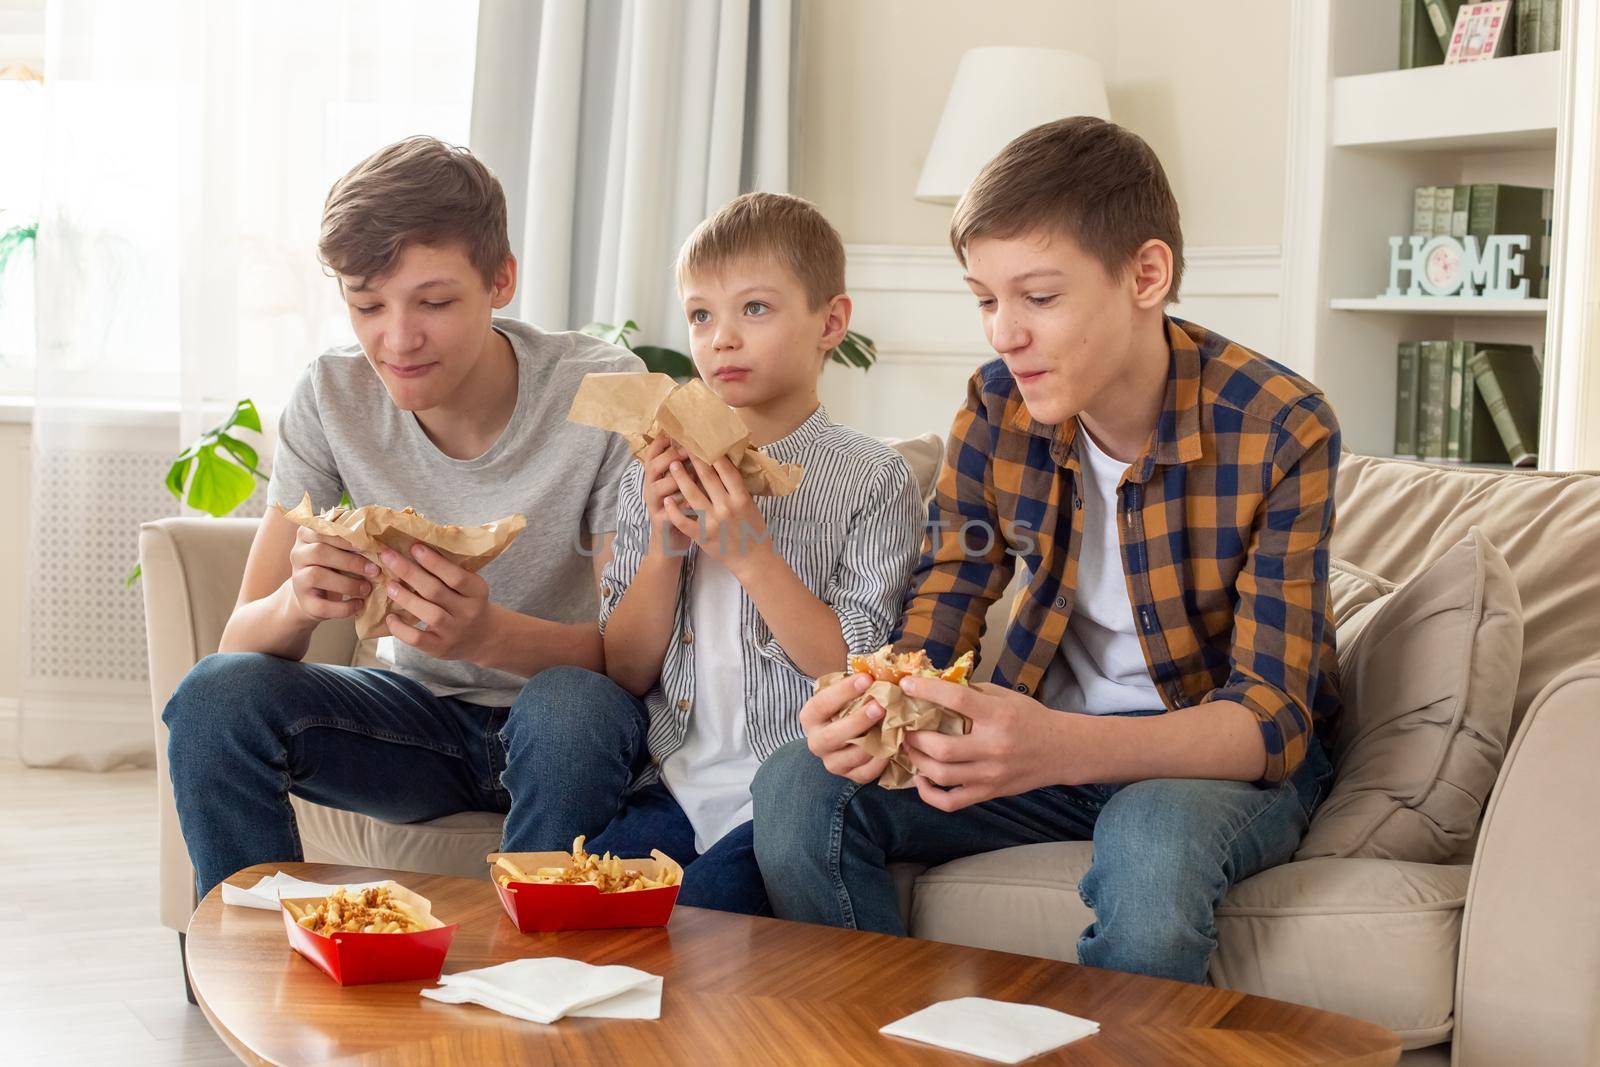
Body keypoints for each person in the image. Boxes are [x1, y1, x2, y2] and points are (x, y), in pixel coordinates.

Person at [752, 117, 1341, 984]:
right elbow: (944, 602)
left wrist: (1062, 744)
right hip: (1039, 745)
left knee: (1152, 848)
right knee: (798, 788)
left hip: (1206, 761)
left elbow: (1271, 717)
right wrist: (871, 703)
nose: (1003, 334)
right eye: (986, 299)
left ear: (1146, 275)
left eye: (1038, 297)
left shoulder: (1281, 427)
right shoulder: (998, 409)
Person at [163, 136, 639, 901]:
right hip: (413, 727)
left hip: (567, 723)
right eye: (366, 304)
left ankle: (535, 980)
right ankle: (251, 967)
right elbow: (238, 641)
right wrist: (299, 599)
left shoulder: (603, 391)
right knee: (219, 693)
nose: (397, 338)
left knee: (574, 708)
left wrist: (487, 636)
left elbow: (634, 659)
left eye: (435, 301)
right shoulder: (332, 395)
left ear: (501, 279)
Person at [502, 192, 925, 914]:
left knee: (691, 930)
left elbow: (857, 675)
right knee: (567, 913)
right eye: (701, 315)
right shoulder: (657, 465)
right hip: (672, 786)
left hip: (783, 800)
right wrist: (665, 549)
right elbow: (629, 669)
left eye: (754, 309)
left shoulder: (871, 477)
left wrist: (753, 556)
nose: (721, 337)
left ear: (830, 322)